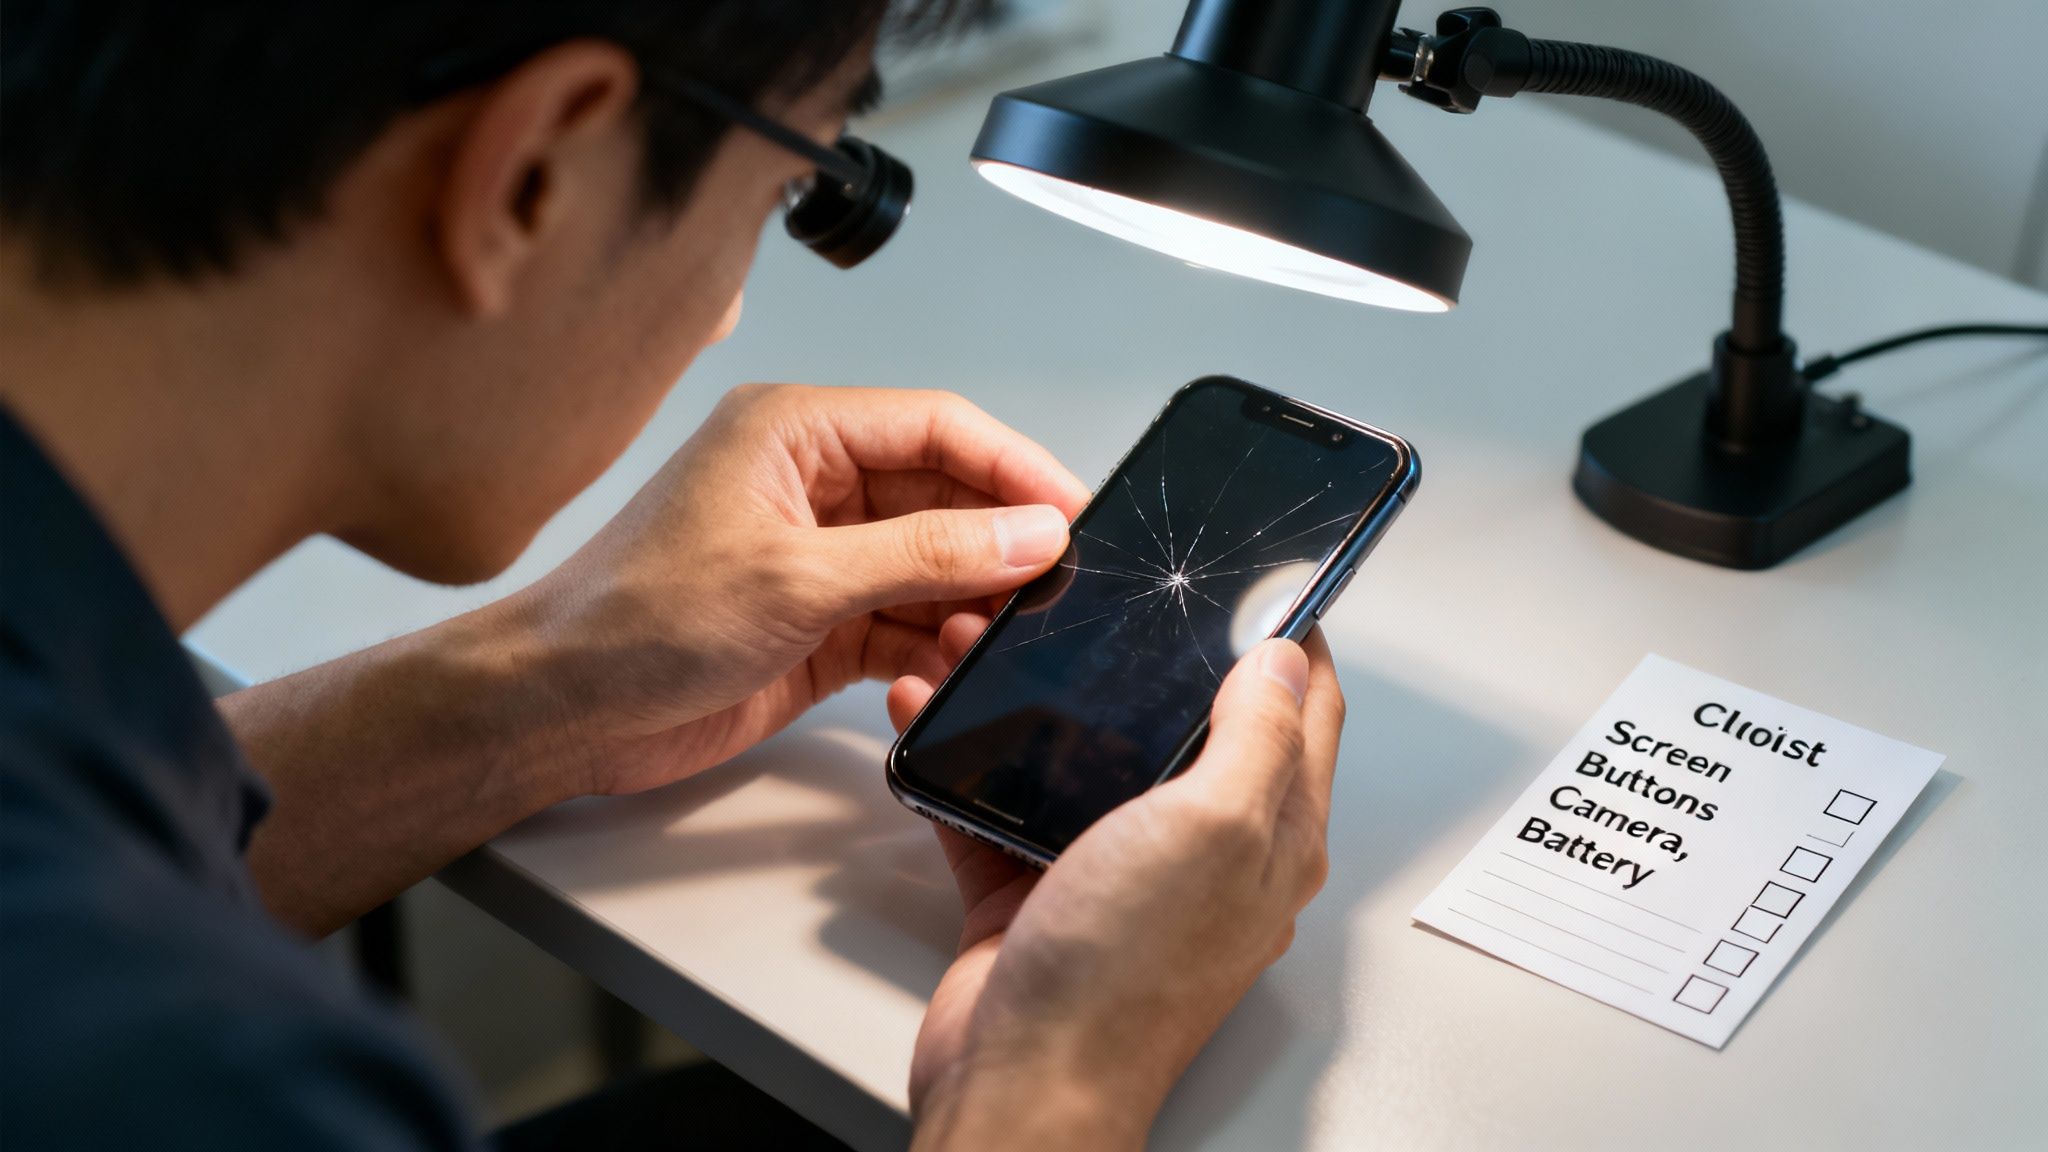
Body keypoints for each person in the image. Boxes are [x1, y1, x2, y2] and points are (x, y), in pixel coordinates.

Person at [0, 3, 1344, 1148]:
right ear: (539, 173)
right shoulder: (203, 1078)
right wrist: (1055, 1081)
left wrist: (553, 688)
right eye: (794, 182)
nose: (731, 309)